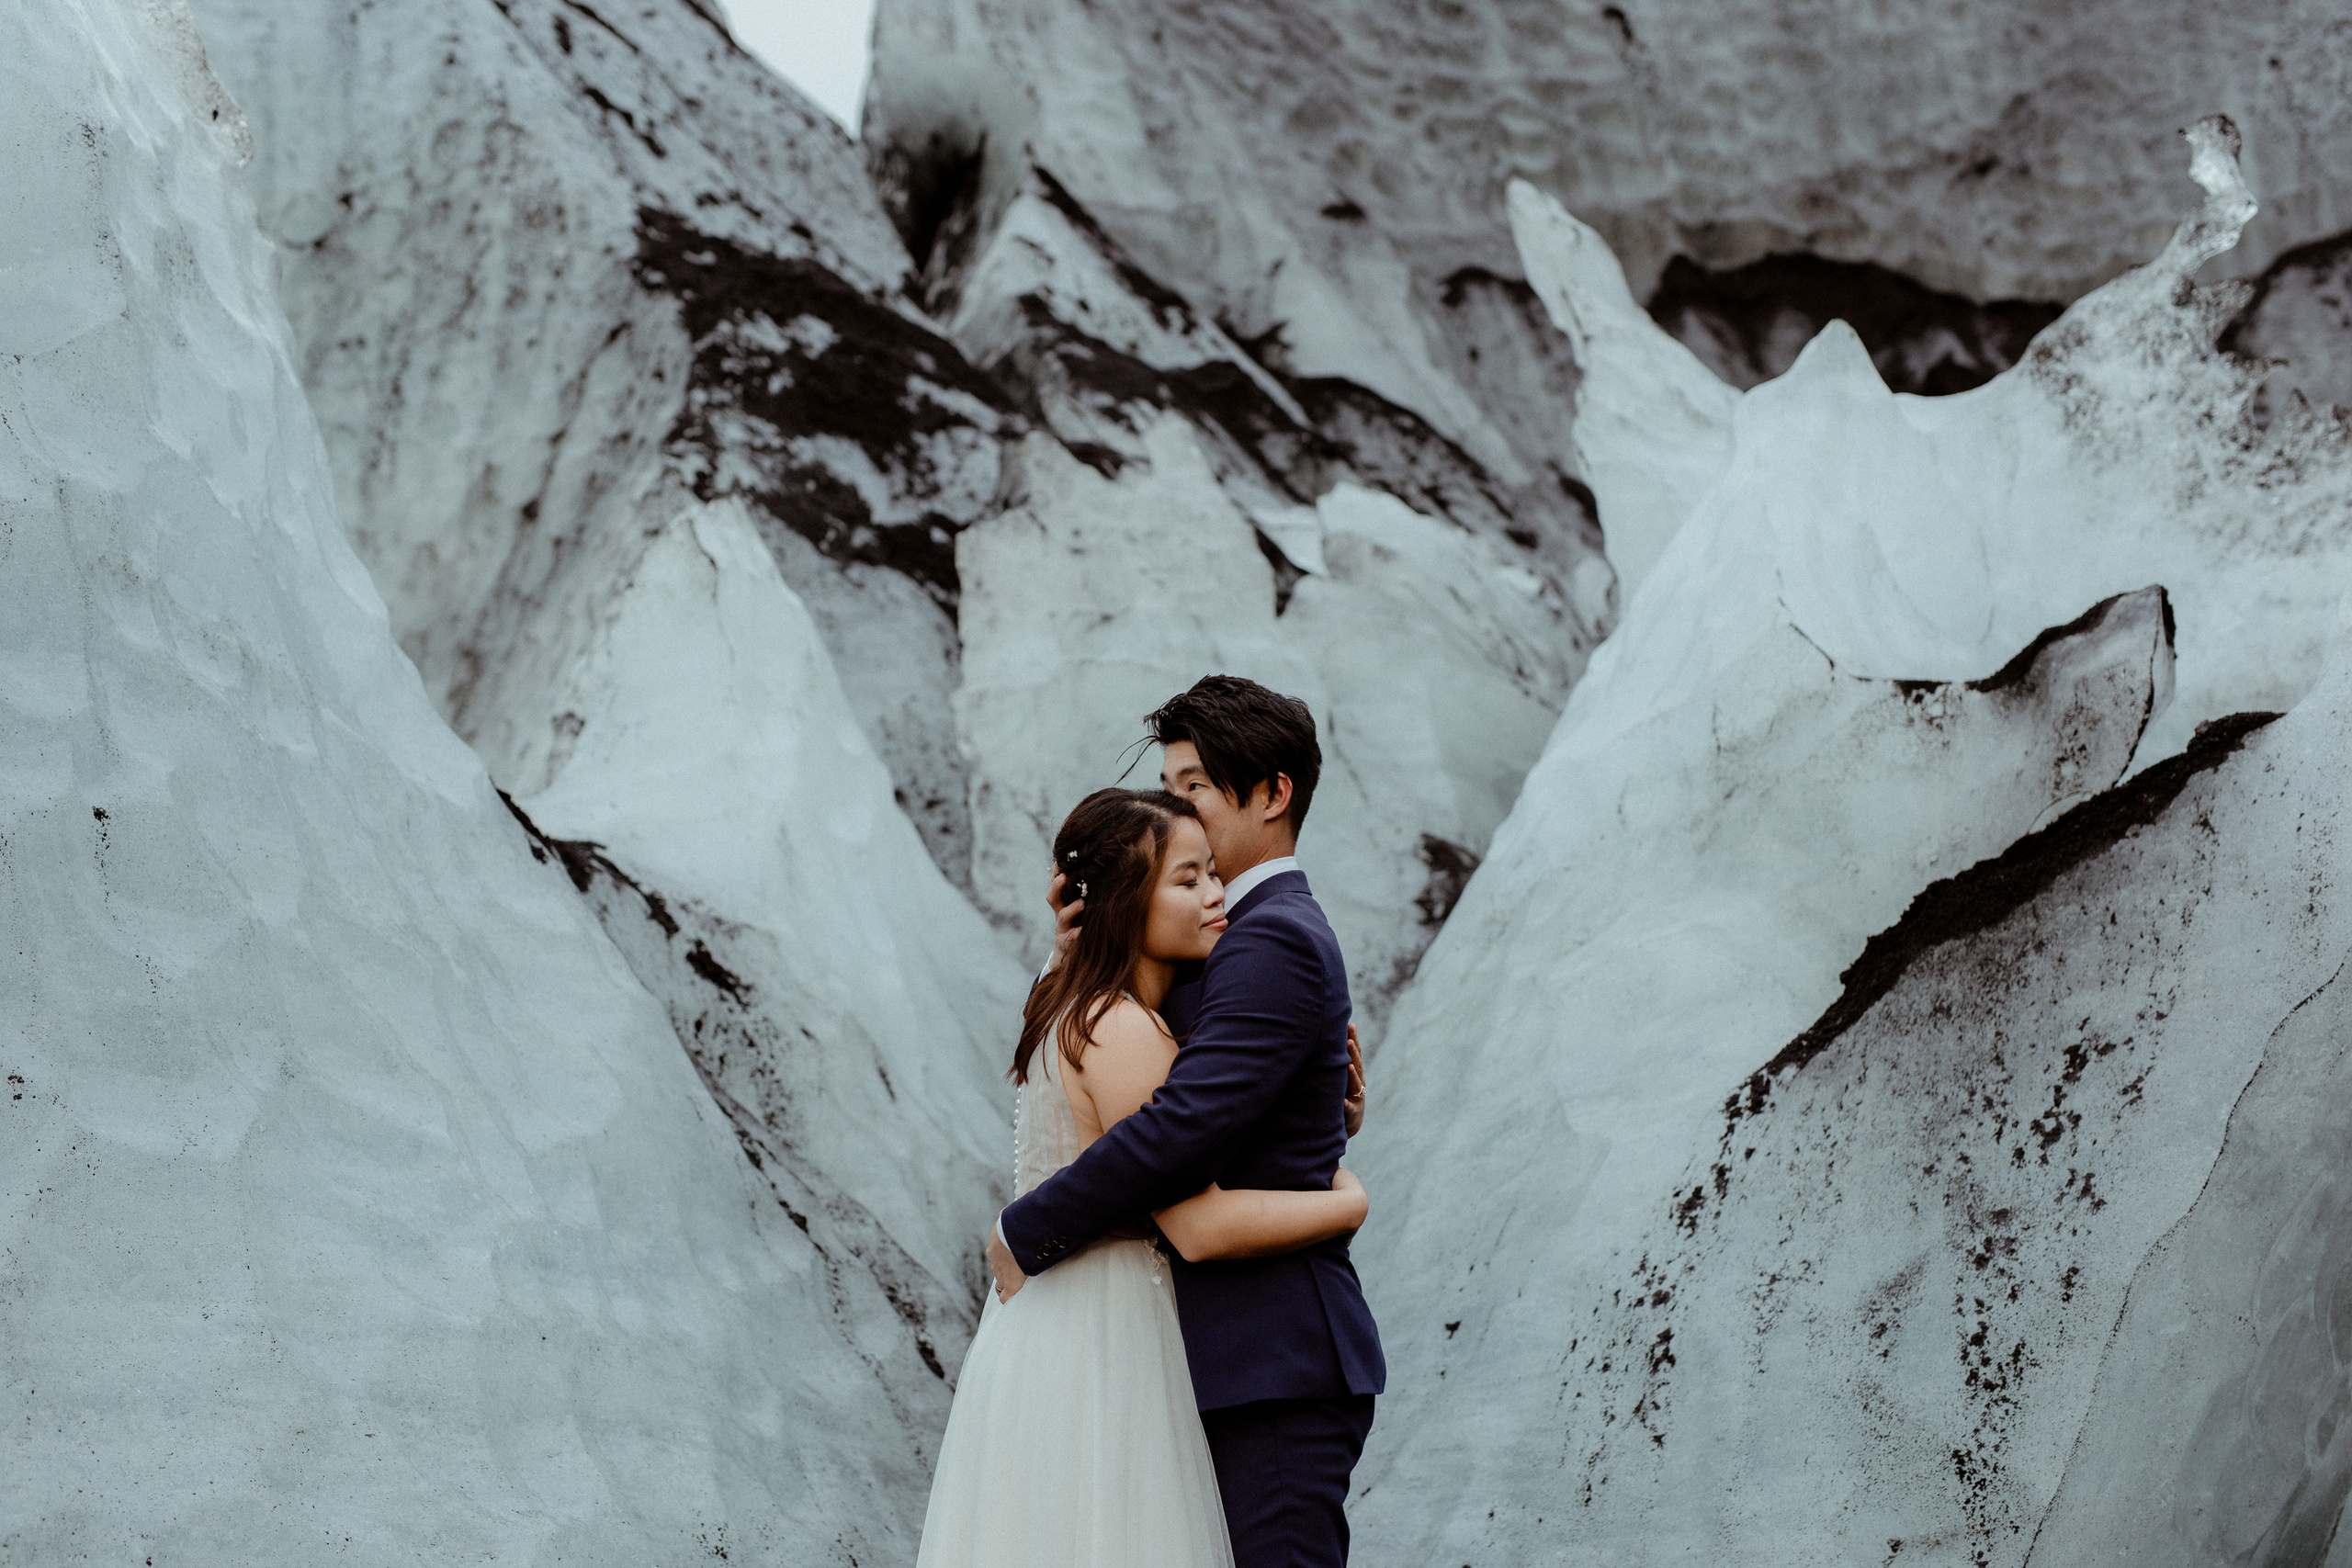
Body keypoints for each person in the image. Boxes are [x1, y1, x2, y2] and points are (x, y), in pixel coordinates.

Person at [917, 786, 1370, 1567]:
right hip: (1107, 1335)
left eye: (1210, 874)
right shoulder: (1122, 1027)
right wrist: (1346, 1201)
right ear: (1129, 901)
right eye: (1187, 879)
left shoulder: (1060, 1002)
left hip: (1046, 1335)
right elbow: (1198, 1223)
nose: (1216, 893)